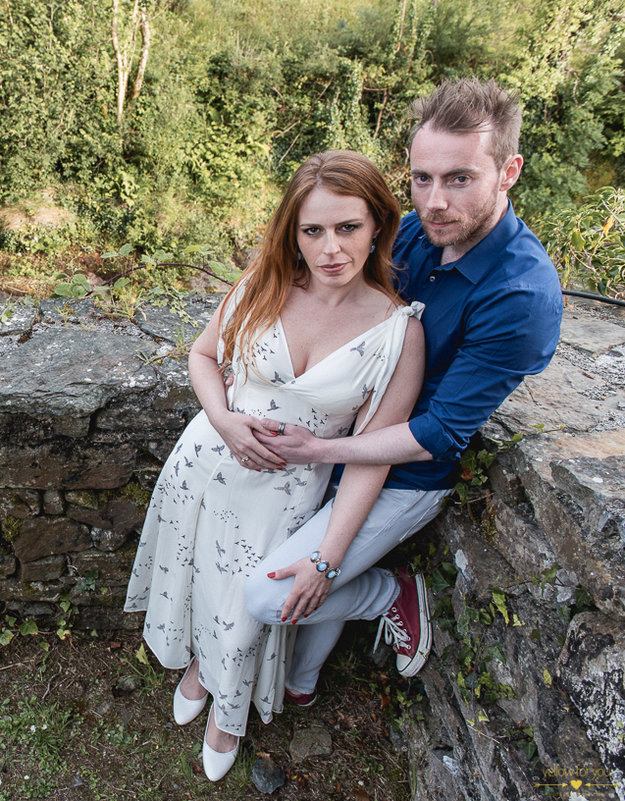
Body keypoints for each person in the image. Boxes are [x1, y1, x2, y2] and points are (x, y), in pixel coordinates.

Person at [240, 79, 563, 710]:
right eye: (421, 178)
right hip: (340, 432)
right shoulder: (416, 233)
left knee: (270, 596)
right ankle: (301, 684)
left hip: (406, 474)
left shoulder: (521, 297)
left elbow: (439, 435)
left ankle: (392, 593)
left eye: (460, 179)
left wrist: (315, 453)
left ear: (510, 172)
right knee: (293, 651)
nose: (435, 202)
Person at [124, 150, 426, 781]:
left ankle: (227, 717)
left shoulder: (399, 333)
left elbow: (369, 459)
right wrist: (226, 420)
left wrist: (328, 558)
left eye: (348, 227)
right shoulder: (263, 284)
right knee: (196, 579)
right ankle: (200, 670)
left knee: (244, 603)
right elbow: (205, 357)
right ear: (293, 231)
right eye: (312, 230)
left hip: (285, 494)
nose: (331, 248)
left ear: (377, 226)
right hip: (204, 464)